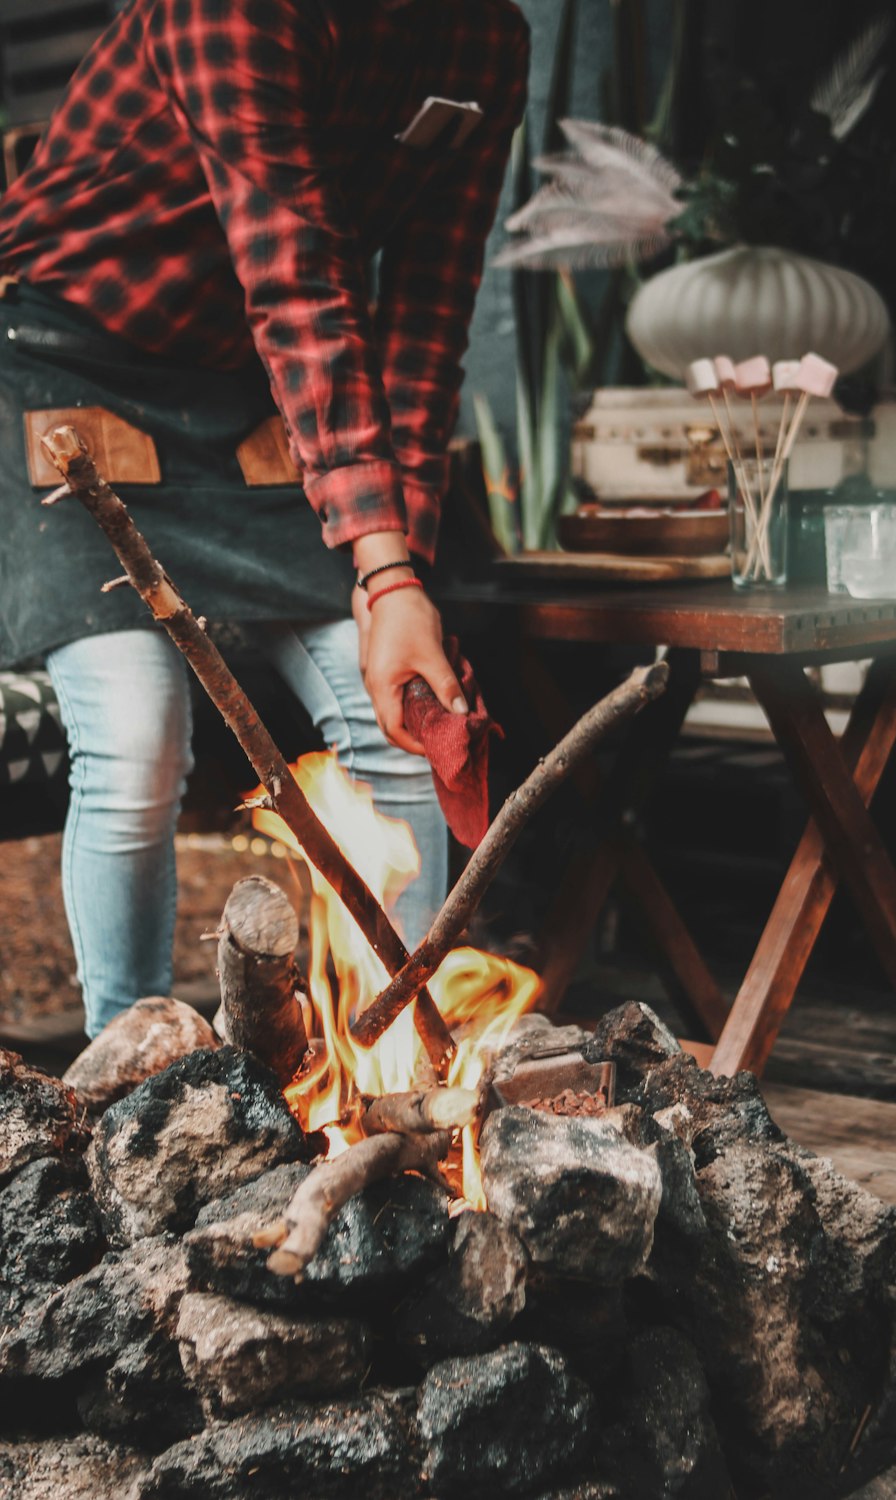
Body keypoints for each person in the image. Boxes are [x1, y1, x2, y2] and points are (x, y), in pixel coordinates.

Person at [0, 0, 529, 1036]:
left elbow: (425, 319)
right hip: (61, 358)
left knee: (402, 716)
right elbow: (297, 281)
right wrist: (383, 575)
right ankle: (135, 1078)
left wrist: (400, 573)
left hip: (252, 385)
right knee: (138, 729)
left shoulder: (487, 39)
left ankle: (404, 1060)